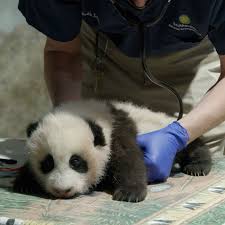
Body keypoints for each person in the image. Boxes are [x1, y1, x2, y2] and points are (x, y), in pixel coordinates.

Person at [18, 0, 225, 182]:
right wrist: (70, 121)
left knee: (196, 165)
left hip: (191, 58)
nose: (139, 4)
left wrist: (181, 134)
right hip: (105, 49)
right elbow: (62, 50)